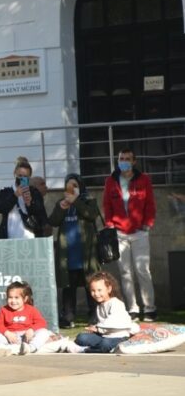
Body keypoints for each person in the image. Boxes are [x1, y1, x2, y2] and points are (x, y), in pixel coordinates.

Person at [102, 148, 157, 321]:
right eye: (121, 158)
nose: (123, 161)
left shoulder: (144, 179)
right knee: (125, 272)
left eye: (127, 158)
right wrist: (110, 225)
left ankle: (149, 308)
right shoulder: (111, 180)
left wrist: (147, 224)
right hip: (119, 233)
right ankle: (132, 309)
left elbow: (150, 204)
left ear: (134, 161)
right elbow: (106, 204)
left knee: (143, 270)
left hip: (140, 231)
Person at [47, 173, 100, 328]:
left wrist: (76, 201)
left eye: (75, 185)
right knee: (68, 288)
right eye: (69, 186)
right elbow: (53, 221)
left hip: (86, 254)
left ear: (80, 186)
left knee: (91, 285)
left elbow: (91, 215)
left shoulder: (89, 200)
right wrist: (62, 208)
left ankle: (94, 315)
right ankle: (68, 317)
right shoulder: (61, 203)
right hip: (68, 254)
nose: (72, 189)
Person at [73, 271, 139, 353]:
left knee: (105, 344)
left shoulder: (116, 303)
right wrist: (94, 328)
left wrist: (98, 328)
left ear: (109, 289)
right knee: (81, 338)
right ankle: (98, 348)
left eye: (99, 290)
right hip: (104, 336)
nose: (96, 294)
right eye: (93, 291)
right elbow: (101, 325)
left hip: (119, 336)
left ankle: (86, 350)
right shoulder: (99, 306)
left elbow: (113, 321)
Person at [0, 281, 52, 356]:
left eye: (17, 298)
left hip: (27, 338)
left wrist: (31, 330)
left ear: (25, 299)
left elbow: (42, 322)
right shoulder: (4, 310)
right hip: (10, 338)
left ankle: (31, 348)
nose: (13, 301)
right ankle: (3, 348)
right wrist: (7, 333)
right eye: (10, 297)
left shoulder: (31, 309)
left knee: (44, 332)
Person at [0, 156, 48, 239]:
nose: (22, 179)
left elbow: (42, 217)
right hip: (10, 238)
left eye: (25, 176)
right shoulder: (5, 192)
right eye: (20, 176)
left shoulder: (34, 193)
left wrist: (30, 204)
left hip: (30, 237)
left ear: (30, 177)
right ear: (15, 174)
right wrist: (15, 195)